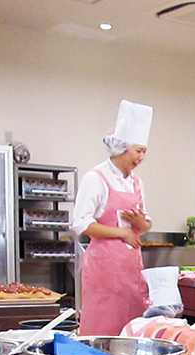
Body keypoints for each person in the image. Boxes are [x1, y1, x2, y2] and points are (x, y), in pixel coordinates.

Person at [72, 99, 153, 336]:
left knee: (132, 329)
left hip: (131, 267)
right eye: (138, 151)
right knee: (103, 328)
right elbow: (81, 223)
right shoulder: (96, 178)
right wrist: (122, 232)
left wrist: (141, 225)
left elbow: (146, 223)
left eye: (144, 152)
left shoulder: (136, 182)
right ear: (121, 148)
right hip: (105, 269)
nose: (141, 157)